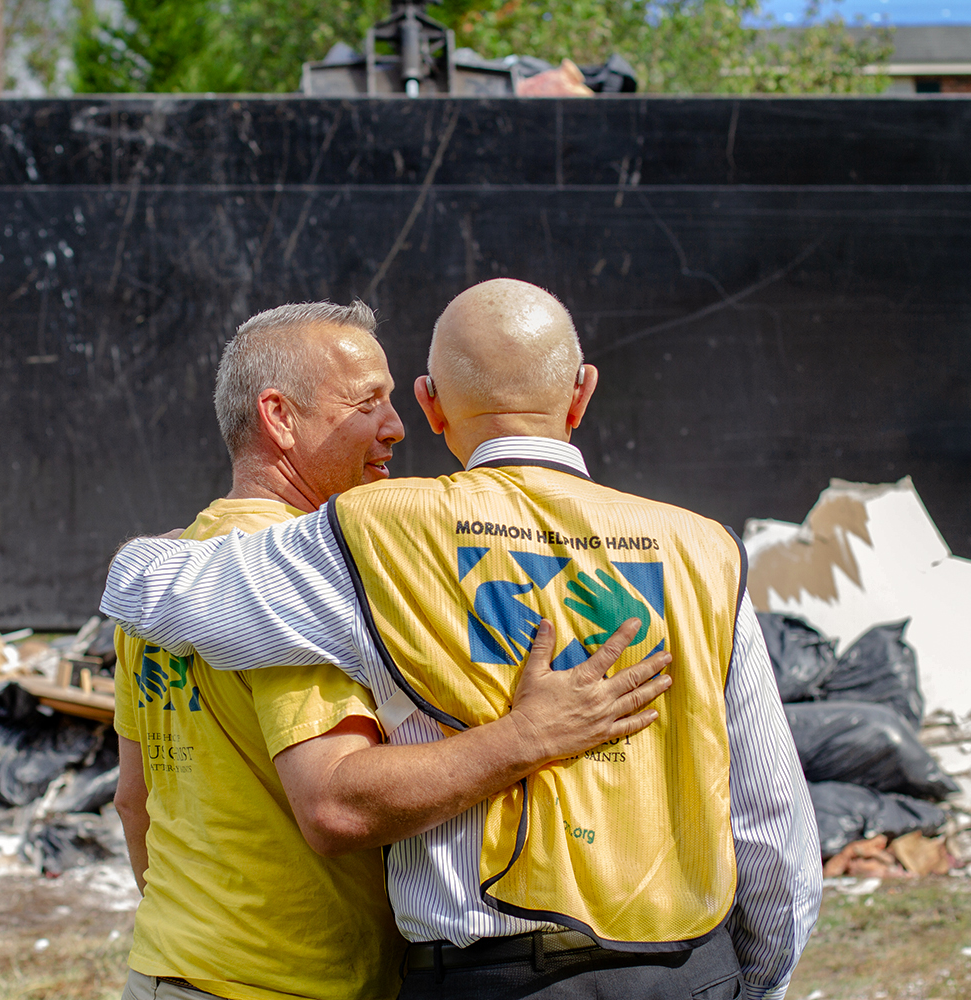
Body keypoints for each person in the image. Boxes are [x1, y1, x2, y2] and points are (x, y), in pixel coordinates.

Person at [103, 279, 822, 1000]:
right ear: (581, 393)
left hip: (486, 977)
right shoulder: (705, 551)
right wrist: (749, 980)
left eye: (396, 403)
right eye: (365, 404)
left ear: (433, 404)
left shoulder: (385, 536)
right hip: (689, 970)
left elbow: (156, 603)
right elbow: (771, 818)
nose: (394, 429)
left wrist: (144, 557)